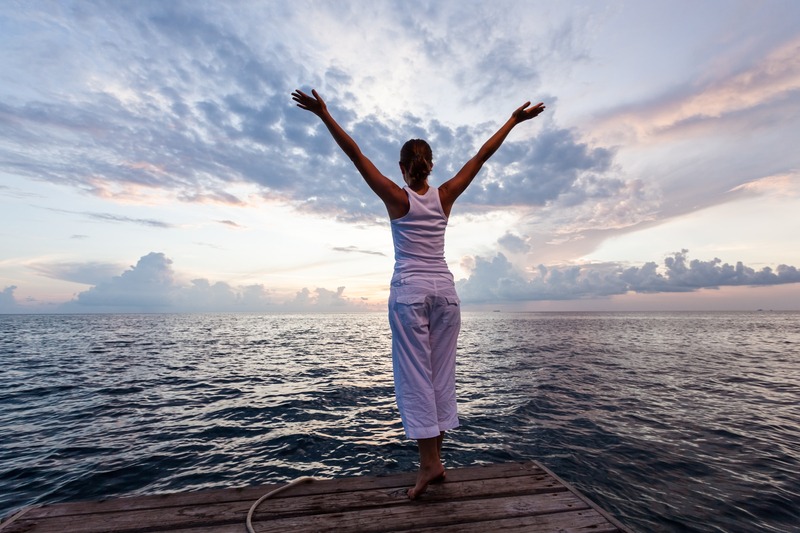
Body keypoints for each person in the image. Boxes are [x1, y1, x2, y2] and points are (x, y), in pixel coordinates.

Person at [291, 88, 545, 499]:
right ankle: (437, 462)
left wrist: (324, 114)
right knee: (440, 376)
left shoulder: (396, 197)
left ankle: (429, 465)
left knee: (415, 379)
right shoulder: (444, 196)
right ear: (429, 166)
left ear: (402, 167)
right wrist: (513, 121)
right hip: (445, 293)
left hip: (410, 293)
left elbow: (355, 155)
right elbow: (481, 156)